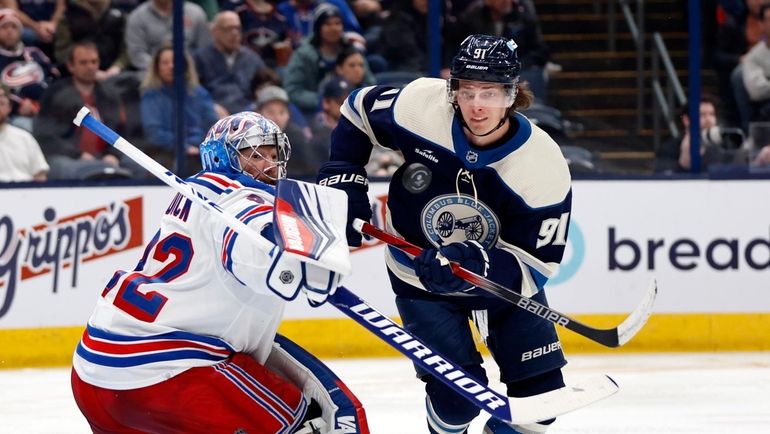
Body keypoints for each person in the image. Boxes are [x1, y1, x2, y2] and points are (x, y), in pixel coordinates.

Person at [318, 34, 572, 434]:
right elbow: (357, 112)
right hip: (417, 272)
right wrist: (344, 175)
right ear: (452, 89)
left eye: (490, 92)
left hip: (500, 286)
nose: (476, 105)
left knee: (540, 402)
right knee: (456, 401)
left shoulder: (542, 165)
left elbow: (535, 265)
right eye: (466, 90)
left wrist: (475, 264)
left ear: (513, 94)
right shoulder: (420, 105)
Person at [71, 111, 368, 433]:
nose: (269, 164)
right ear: (221, 157)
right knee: (311, 424)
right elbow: (256, 244)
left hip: (92, 372)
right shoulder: (241, 198)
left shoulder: (194, 195)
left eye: (272, 154)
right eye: (253, 154)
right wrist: (286, 253)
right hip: (169, 375)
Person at [34, 41, 135, 180]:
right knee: (67, 169)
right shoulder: (55, 94)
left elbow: (122, 130)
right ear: (70, 66)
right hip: (67, 157)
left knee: (139, 167)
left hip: (105, 157)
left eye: (94, 62)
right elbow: (46, 135)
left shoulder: (110, 94)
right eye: (83, 62)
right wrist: (78, 155)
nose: (90, 67)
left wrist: (113, 154)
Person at [140, 45, 219, 177]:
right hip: (164, 153)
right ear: (157, 68)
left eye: (175, 61)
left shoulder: (199, 93)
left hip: (199, 151)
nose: (171, 66)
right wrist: (184, 147)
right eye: (165, 63)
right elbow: (154, 133)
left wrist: (196, 144)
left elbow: (212, 127)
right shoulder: (151, 96)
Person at [194, 11, 267, 117]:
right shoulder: (200, 57)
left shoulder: (252, 58)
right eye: (228, 29)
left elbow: (266, 83)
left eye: (237, 28)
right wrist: (210, 106)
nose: (235, 33)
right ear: (215, 31)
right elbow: (193, 90)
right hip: (214, 112)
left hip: (248, 112)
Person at [0, 84, 48, 181]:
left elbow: (40, 175)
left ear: (9, 107)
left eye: (1, 103)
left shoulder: (24, 138)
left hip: (25, 192)